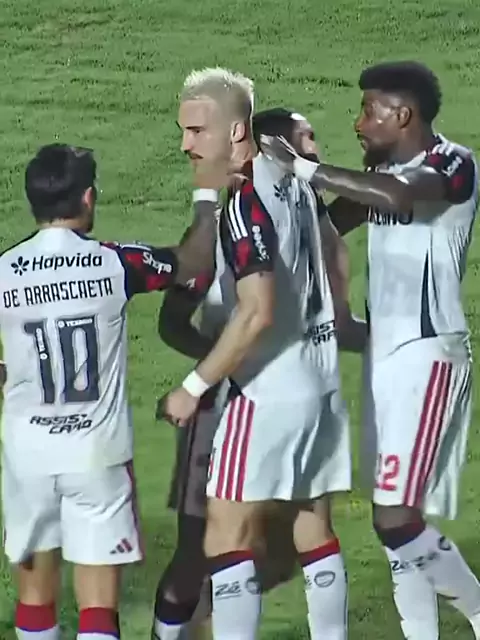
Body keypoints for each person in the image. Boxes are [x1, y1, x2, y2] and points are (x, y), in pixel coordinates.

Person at [260, 60, 480, 639]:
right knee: (398, 523)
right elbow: (331, 225)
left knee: (395, 519)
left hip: (428, 356)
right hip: (385, 357)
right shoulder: (382, 174)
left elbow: (400, 198)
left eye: (368, 111)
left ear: (402, 114)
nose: (357, 123)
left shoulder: (451, 164)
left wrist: (304, 167)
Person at [159, 67, 352, 640]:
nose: (185, 144)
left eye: (197, 131)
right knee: (313, 530)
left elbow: (256, 310)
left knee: (224, 537)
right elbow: (333, 255)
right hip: (321, 384)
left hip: (265, 392)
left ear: (236, 131)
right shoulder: (292, 174)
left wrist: (192, 387)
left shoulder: (245, 204)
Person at [0, 143, 218, 640]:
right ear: (88, 197)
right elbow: (191, 262)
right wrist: (207, 198)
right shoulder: (115, 264)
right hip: (97, 455)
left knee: (35, 601)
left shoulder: (5, 270)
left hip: (28, 455)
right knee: (98, 609)